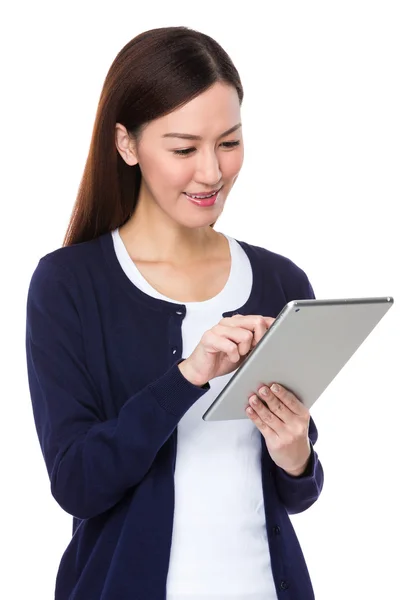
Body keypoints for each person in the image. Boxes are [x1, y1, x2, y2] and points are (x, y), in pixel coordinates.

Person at [25, 26, 324, 600]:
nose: (211, 172)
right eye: (184, 148)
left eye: (229, 142)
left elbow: (298, 492)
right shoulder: (69, 285)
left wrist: (295, 452)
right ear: (128, 144)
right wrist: (188, 376)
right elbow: (77, 483)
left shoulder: (283, 282)